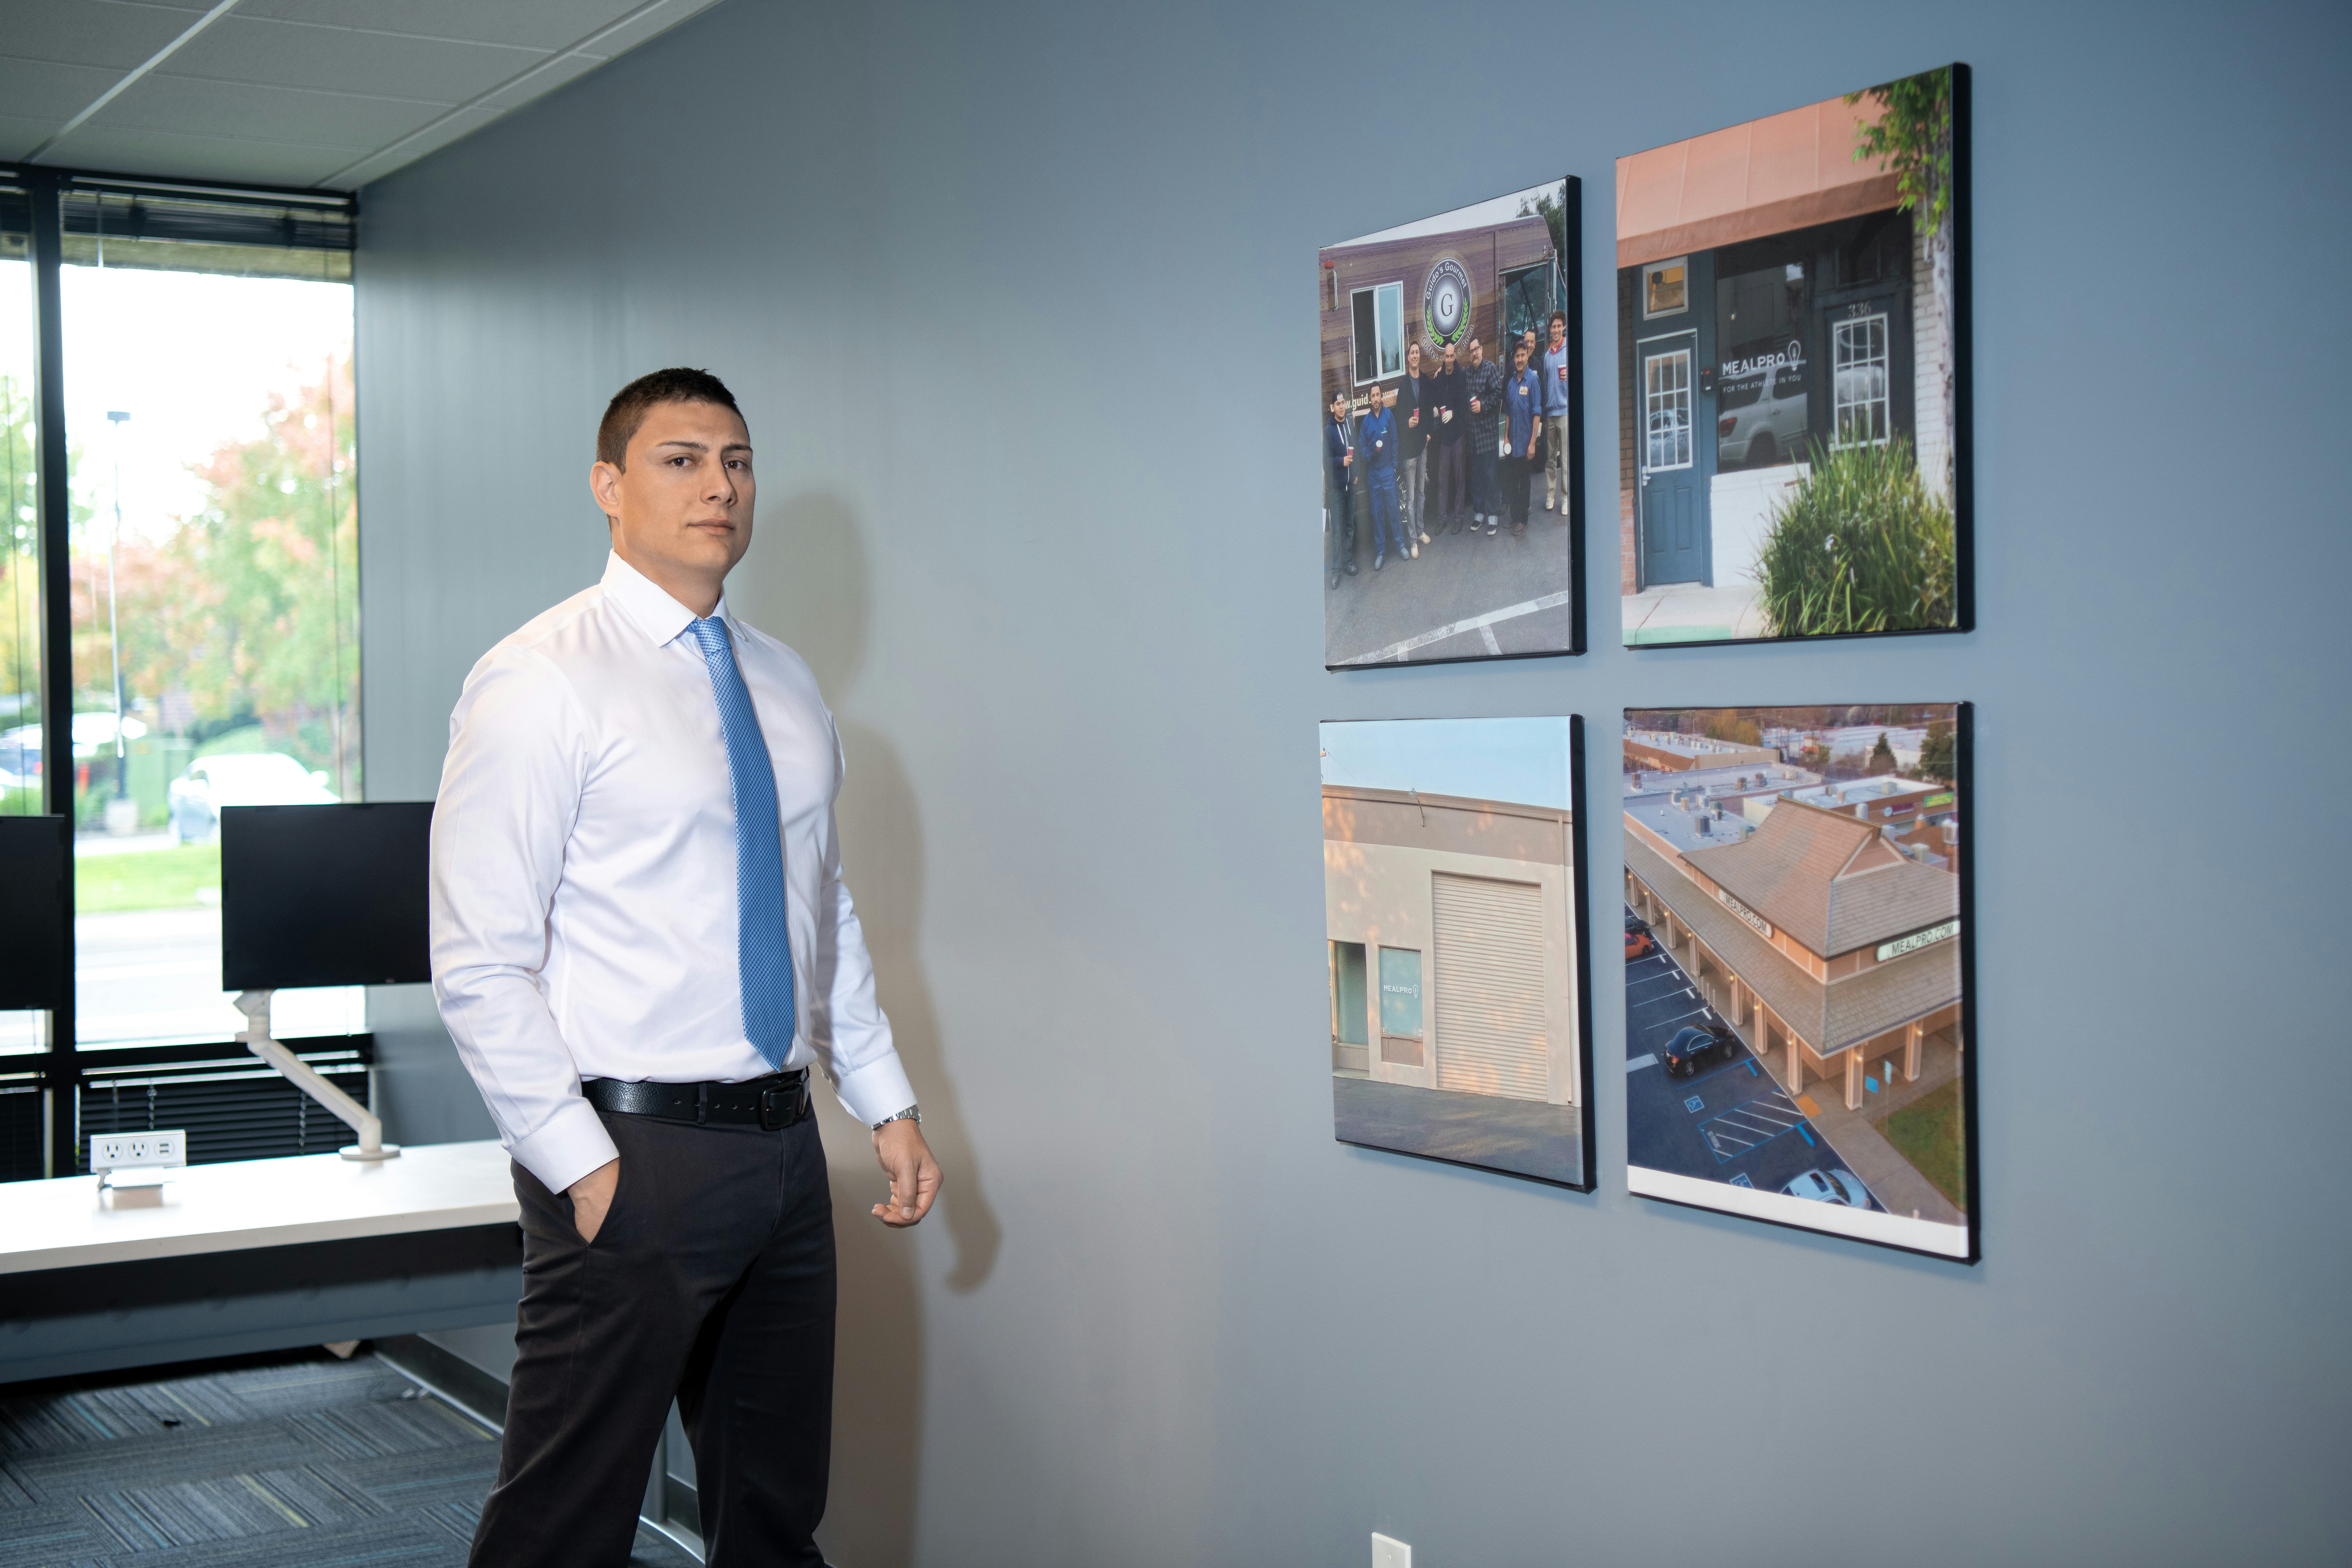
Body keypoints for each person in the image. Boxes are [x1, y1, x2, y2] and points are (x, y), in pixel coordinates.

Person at [431, 367, 942, 1568]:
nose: (718, 483)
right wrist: (580, 1165)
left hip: (779, 1153)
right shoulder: (540, 679)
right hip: (632, 1155)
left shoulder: (784, 679)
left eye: (738, 459)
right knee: (564, 1524)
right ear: (610, 486)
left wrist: (886, 1097)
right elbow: (477, 957)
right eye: (682, 458)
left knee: (773, 1513)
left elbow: (820, 904)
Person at [1359, 382, 1409, 567]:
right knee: (1378, 513)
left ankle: (1401, 545)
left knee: (1394, 509)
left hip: (1388, 470)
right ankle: (1380, 552)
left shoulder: (1389, 416)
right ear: (1370, 400)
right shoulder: (1366, 422)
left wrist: (1395, 465)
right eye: (1373, 396)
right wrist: (1369, 454)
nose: (1376, 399)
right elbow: (1362, 447)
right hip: (1374, 473)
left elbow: (1395, 441)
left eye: (1378, 395)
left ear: (1382, 396)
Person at [1463, 335, 1506, 536]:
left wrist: (1484, 406)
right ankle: (1479, 512)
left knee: (1491, 476)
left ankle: (1493, 514)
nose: (1474, 353)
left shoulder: (1491, 369)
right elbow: (1454, 376)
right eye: (1471, 351)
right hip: (1474, 436)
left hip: (1488, 434)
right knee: (1477, 477)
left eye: (1477, 349)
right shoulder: (1468, 373)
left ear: (1482, 349)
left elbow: (1498, 394)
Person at [1503, 338, 1542, 538]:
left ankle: (1523, 520)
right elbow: (1509, 412)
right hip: (1513, 443)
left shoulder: (1533, 381)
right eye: (1517, 356)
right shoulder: (1511, 383)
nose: (1519, 359)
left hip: (1526, 443)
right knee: (1512, 481)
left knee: (1524, 482)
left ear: (1528, 357)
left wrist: (1533, 443)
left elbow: (1537, 414)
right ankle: (1515, 515)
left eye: (1523, 355)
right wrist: (1506, 438)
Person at [1429, 341, 1468, 534]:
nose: (1450, 360)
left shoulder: (1461, 377)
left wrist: (1453, 412)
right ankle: (1442, 519)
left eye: (1452, 356)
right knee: (1442, 480)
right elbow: (1434, 399)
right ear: (1443, 358)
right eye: (1447, 356)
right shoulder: (1440, 378)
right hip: (1445, 438)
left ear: (1455, 357)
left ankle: (1459, 518)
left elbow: (1466, 406)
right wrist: (1436, 409)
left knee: (1460, 479)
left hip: (1458, 434)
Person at [1394, 342, 1431, 548]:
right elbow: (1399, 418)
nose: (1415, 356)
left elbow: (1429, 410)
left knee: (1422, 493)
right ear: (1408, 358)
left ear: (1419, 356)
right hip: (1409, 449)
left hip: (1422, 446)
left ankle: (1421, 529)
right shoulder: (1403, 385)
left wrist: (1427, 434)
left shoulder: (1425, 381)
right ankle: (1413, 539)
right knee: (1410, 497)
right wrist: (1407, 423)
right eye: (1412, 353)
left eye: (1418, 353)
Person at [1541, 309, 1573, 514]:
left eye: (1559, 326)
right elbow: (1545, 385)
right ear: (1550, 329)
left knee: (1566, 459)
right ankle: (1551, 495)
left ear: (1564, 328)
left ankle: (1566, 497)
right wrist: (1544, 415)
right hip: (1550, 414)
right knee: (1551, 458)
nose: (1556, 330)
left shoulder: (1568, 350)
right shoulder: (1546, 356)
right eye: (1553, 327)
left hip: (1565, 412)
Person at [1324, 387, 1356, 588]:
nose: (1342, 407)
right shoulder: (1328, 430)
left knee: (1350, 527)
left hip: (1350, 486)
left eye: (1344, 403)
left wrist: (1357, 475)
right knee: (1337, 531)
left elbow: (1358, 451)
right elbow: (1325, 461)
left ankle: (1347, 563)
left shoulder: (1350, 425)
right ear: (1333, 407)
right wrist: (1341, 461)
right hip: (1336, 489)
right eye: (1338, 404)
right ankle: (1336, 572)